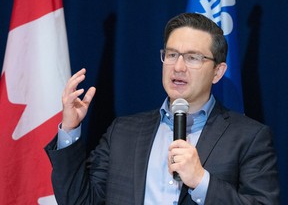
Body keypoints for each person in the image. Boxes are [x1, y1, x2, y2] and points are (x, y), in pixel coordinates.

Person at [45, 13, 279, 205]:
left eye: (193, 58)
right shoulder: (123, 131)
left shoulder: (249, 137)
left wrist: (201, 181)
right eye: (172, 54)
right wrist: (70, 129)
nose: (178, 67)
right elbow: (79, 201)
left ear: (217, 72)